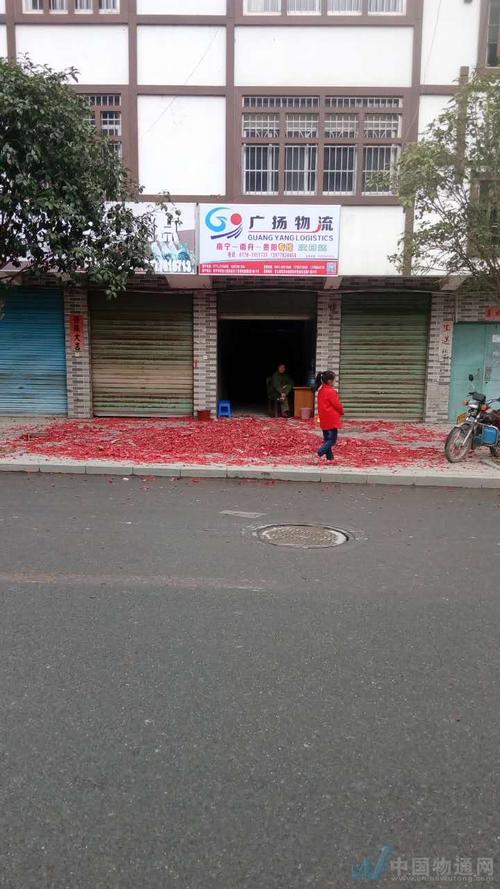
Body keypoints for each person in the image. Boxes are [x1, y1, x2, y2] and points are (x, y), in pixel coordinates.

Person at [315, 370, 344, 462]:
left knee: (327, 439)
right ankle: (320, 452)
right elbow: (337, 405)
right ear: (329, 381)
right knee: (332, 440)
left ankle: (330, 458)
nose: (335, 381)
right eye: (335, 380)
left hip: (324, 418)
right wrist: (342, 411)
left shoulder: (321, 391)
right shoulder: (331, 392)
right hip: (331, 419)